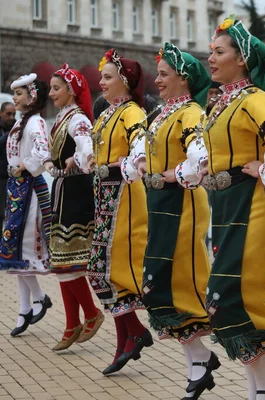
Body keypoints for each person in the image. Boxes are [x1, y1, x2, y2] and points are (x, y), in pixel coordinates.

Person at [180, 16, 265, 400]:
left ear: (242, 60)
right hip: (226, 206)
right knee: (231, 299)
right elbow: (205, 150)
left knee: (226, 297)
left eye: (219, 52)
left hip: (254, 209)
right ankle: (263, 386)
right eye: (210, 52)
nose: (210, 59)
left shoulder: (255, 100)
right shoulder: (221, 103)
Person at [121, 42, 218, 399]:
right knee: (157, 282)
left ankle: (200, 363)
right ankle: (199, 359)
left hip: (183, 203)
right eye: (158, 74)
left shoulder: (191, 112)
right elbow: (135, 156)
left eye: (163, 74)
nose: (157, 80)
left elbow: (199, 156)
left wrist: (170, 174)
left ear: (184, 77)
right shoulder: (161, 114)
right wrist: (142, 166)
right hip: (160, 202)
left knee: (176, 283)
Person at [82, 49, 151, 375]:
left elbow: (141, 143)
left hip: (124, 195)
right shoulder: (109, 112)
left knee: (107, 269)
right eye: (103, 76)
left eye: (108, 77)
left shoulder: (132, 112)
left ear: (125, 81)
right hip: (105, 194)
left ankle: (131, 335)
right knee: (100, 270)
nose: (102, 81)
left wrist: (118, 163)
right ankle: (129, 335)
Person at [47, 64, 103, 351]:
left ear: (71, 90)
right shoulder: (63, 117)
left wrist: (75, 162)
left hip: (76, 192)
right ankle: (72, 324)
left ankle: (91, 314)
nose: (51, 92)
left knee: (69, 262)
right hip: (64, 190)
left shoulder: (77, 119)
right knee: (61, 262)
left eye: (56, 88)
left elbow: (88, 149)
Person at [0, 74, 53, 336]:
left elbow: (44, 152)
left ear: (31, 96)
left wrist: (25, 165)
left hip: (29, 188)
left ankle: (28, 307)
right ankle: (33, 302)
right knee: (14, 251)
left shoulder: (35, 122)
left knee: (20, 250)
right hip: (17, 189)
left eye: (19, 94)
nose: (15, 98)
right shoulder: (24, 122)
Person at [0, 102, 17, 227]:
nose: (11, 117)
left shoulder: (17, 128)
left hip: (13, 177)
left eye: (14, 114)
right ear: (1, 113)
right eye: (8, 114)